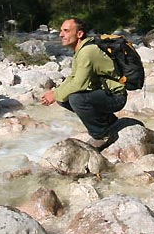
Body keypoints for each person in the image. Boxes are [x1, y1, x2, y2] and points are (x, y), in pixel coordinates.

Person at [40, 17, 127, 148]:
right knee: (64, 97)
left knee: (76, 99)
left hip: (116, 97)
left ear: (79, 34)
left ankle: (102, 134)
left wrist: (55, 95)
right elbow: (73, 77)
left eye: (66, 31)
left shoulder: (87, 51)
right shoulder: (82, 49)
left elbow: (79, 84)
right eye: (61, 31)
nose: (61, 34)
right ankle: (108, 121)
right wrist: (56, 93)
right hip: (104, 93)